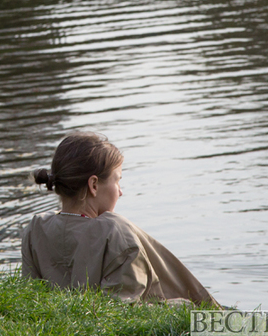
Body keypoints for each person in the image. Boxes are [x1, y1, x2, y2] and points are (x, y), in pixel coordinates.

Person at [21, 131, 219, 307]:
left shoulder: (35, 229)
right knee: (190, 308)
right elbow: (121, 311)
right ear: (94, 185)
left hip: (60, 328)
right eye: (117, 180)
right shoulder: (115, 231)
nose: (121, 192)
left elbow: (31, 297)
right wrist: (185, 305)